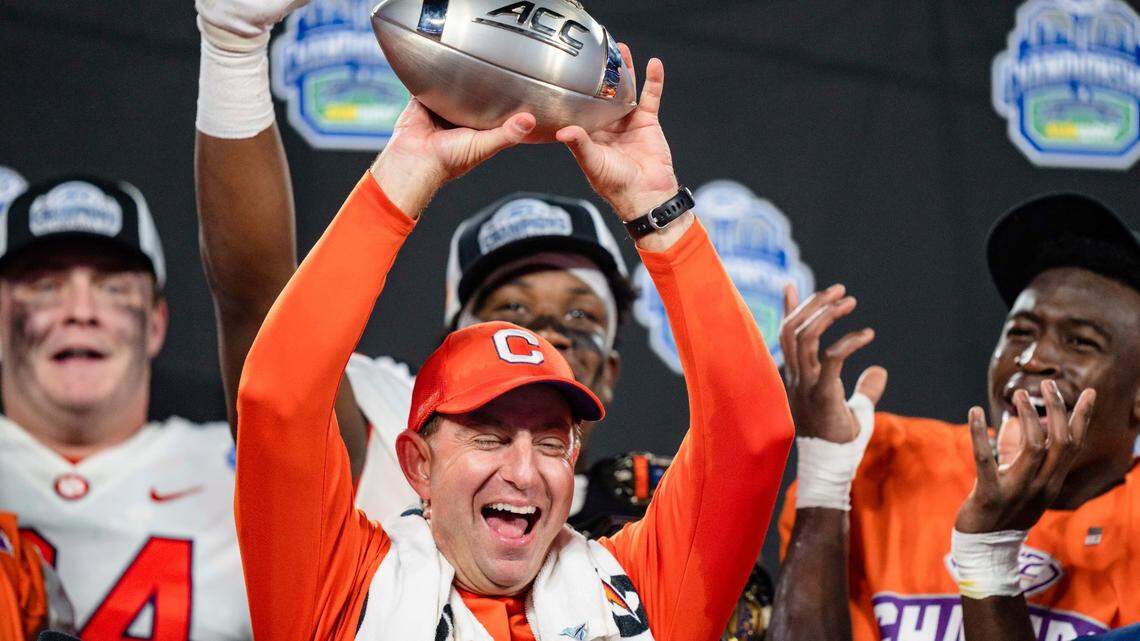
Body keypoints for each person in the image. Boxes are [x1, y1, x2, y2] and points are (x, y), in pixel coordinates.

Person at [231, 35, 795, 640]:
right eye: (490, 436)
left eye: (552, 443)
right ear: (418, 465)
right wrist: (401, 179)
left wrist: (654, 206)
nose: (524, 473)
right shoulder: (342, 588)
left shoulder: (637, 591)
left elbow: (753, 433)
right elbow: (278, 397)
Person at [768, 193, 1140, 640]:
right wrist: (824, 473)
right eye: (1020, 331)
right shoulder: (886, 463)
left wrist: (989, 553)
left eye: (1081, 342)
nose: (1032, 358)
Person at [0, 175, 251, 640]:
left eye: (112, 287)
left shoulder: (242, 475)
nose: (80, 310)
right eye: (45, 285)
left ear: (155, 324)